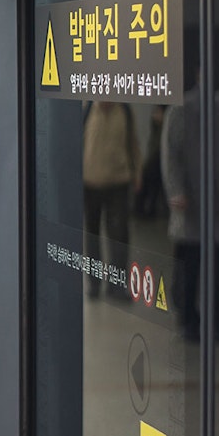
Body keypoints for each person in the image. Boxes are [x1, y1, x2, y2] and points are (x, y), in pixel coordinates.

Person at [161, 69, 219, 342]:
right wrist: (176, 191)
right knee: (191, 265)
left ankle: (215, 319)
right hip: (192, 205)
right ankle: (189, 318)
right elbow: (170, 154)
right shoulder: (183, 108)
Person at [81, 101, 140, 300]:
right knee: (92, 237)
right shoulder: (89, 110)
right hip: (90, 184)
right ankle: (94, 283)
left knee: (119, 237)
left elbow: (133, 145)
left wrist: (137, 174)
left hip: (118, 183)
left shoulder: (124, 110)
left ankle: (117, 286)